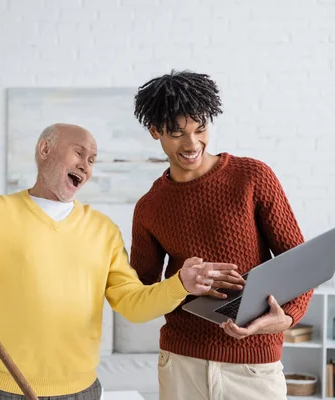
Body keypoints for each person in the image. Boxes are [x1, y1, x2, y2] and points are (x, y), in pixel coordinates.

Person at [0, 123, 243, 400]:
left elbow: (133, 304)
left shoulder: (102, 230)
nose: (86, 165)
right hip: (5, 388)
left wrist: (180, 283)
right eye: (79, 153)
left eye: (92, 160)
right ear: (44, 150)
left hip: (81, 391)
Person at [130, 71, 314, 400]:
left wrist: (285, 318)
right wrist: (181, 284)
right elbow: (140, 297)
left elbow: (300, 263)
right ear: (155, 131)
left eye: (200, 129)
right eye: (177, 134)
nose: (192, 144)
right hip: (181, 365)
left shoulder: (252, 178)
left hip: (254, 365)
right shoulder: (149, 207)